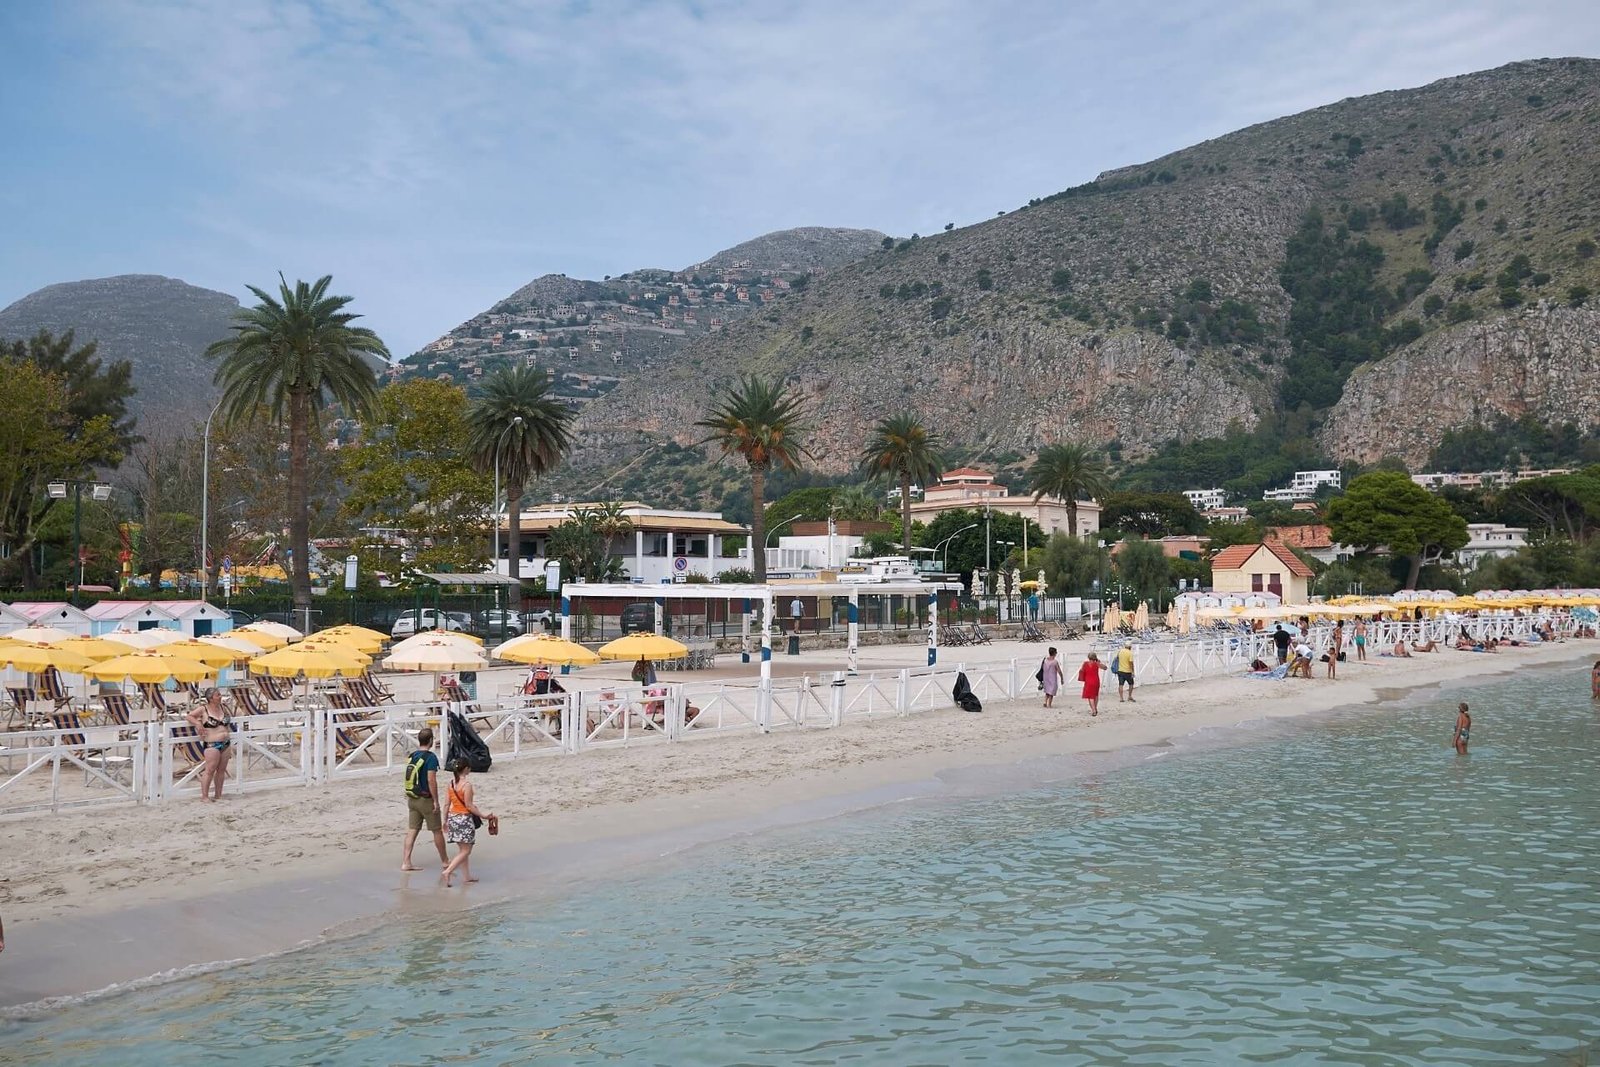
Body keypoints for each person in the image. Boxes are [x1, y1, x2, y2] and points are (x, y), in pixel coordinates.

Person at [441, 759, 495, 887]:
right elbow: (469, 806)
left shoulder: (450, 784)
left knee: (462, 849)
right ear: (466, 769)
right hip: (464, 819)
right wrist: (484, 815)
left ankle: (466, 876)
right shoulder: (467, 785)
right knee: (466, 850)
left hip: (453, 817)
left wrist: (445, 820)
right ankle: (448, 871)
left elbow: (446, 804)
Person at [401, 727, 448, 872]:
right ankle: (445, 861)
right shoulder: (431, 757)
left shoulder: (413, 755)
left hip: (412, 797)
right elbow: (431, 779)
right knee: (437, 831)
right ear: (431, 740)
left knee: (412, 830)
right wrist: (436, 801)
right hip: (425, 799)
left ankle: (406, 862)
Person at [185, 687, 232, 802]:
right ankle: (204, 796)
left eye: (220, 694)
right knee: (210, 770)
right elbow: (189, 716)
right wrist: (197, 723)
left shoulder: (223, 707)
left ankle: (218, 795)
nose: (220, 696)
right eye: (218, 695)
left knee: (221, 770)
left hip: (225, 742)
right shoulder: (203, 709)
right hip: (212, 743)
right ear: (211, 698)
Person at [1077, 652, 1107, 716]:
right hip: (1096, 681)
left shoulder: (1085, 664)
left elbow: (1082, 671)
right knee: (1095, 695)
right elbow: (1105, 668)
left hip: (1088, 681)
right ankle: (1095, 708)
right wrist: (1099, 662)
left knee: (1090, 697)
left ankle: (1093, 710)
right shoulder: (1097, 664)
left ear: (1088, 657)